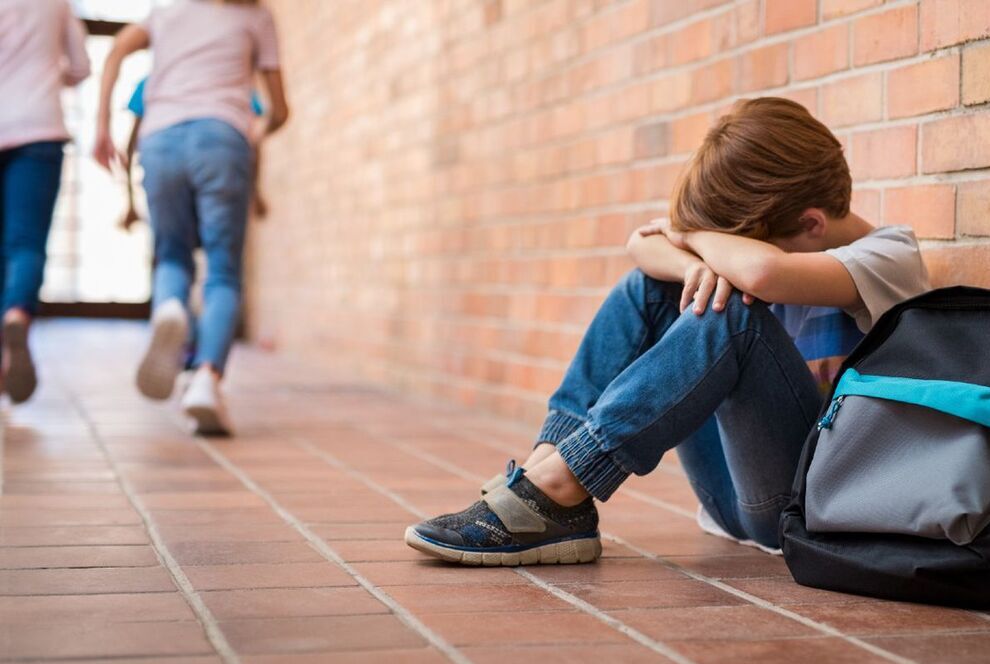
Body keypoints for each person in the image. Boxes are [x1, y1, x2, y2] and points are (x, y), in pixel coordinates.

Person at [405, 97, 932, 565]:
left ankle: (562, 482)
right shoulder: (772, 249)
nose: (729, 253)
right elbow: (641, 245)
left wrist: (690, 236)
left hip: (804, 506)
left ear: (812, 225)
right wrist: (689, 262)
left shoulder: (890, 256)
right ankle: (549, 481)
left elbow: (761, 271)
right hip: (730, 497)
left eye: (742, 243)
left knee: (733, 315)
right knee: (652, 287)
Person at [94, 0, 289, 435]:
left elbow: (117, 48)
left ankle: (169, 307)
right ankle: (206, 379)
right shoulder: (255, 16)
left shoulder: (166, 13)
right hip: (221, 136)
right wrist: (257, 132)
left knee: (171, 256)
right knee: (222, 270)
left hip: (159, 140)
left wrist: (102, 125)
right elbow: (279, 108)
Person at [0, 0, 91, 404]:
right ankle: (18, 313)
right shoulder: (57, 3)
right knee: (27, 242)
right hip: (40, 126)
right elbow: (81, 67)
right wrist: (51, 74)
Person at [119, 78, 270, 230]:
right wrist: (130, 203)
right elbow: (252, 141)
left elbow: (252, 141)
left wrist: (255, 192)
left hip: (198, 172)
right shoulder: (233, 78)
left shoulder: (232, 77)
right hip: (205, 171)